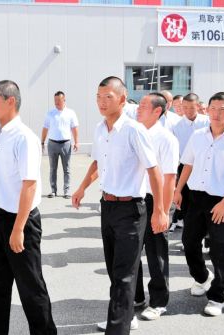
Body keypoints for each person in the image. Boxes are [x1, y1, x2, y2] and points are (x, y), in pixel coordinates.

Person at [72, 76, 167, 334]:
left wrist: (160, 210)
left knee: (125, 274)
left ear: (122, 99)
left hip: (131, 210)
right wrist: (82, 187)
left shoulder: (134, 130)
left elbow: (154, 171)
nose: (101, 103)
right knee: (115, 271)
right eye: (98, 97)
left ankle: (118, 327)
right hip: (108, 207)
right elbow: (97, 163)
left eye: (108, 97)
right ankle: (124, 316)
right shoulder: (101, 129)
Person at [0, 80, 57, 334]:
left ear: (10, 101)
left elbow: (29, 185)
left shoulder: (24, 137)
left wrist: (18, 228)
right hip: (0, 220)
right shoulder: (1, 133)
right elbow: (1, 180)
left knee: (31, 287)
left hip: (20, 222)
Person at [173, 92, 224, 316]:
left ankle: (217, 296)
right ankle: (202, 277)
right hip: (196, 198)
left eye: (222, 109)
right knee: (189, 243)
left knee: (219, 250)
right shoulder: (198, 136)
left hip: (220, 200)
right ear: (206, 110)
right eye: (213, 109)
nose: (217, 114)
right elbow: (187, 165)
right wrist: (178, 190)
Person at [134, 93, 179, 320]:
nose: (138, 109)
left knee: (156, 251)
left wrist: (162, 209)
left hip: (156, 199)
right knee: (132, 251)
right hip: (135, 199)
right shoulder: (134, 132)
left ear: (157, 111)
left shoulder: (166, 139)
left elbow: (170, 178)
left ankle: (159, 300)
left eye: (143, 106)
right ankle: (136, 296)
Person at [171, 93, 209, 231]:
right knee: (186, 202)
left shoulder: (207, 121)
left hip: (205, 165)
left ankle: (208, 237)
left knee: (206, 200)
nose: (187, 111)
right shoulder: (177, 125)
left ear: (198, 106)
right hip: (184, 166)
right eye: (184, 107)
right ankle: (188, 235)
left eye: (191, 107)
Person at [41, 91, 79, 199]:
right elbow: (45, 128)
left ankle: (66, 191)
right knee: (53, 168)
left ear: (64, 100)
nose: (56, 102)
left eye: (59, 100)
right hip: (52, 144)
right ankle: (53, 190)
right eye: (55, 100)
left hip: (66, 144)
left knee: (66, 169)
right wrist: (42, 142)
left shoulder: (71, 113)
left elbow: (75, 128)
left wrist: (76, 142)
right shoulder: (50, 113)